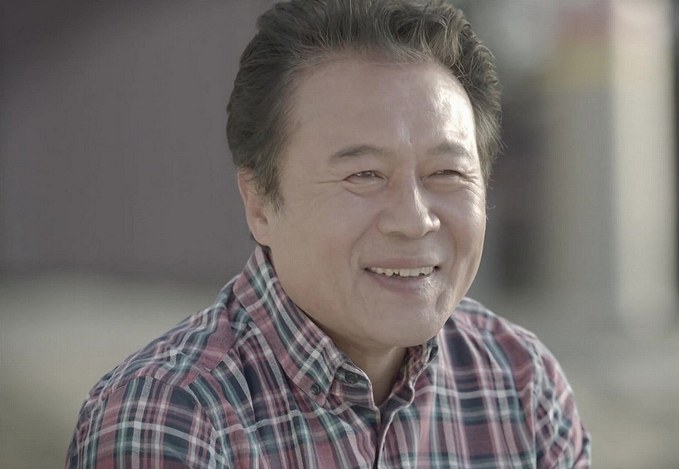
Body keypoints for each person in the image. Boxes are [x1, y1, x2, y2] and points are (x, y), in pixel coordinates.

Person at [66, 0, 590, 467]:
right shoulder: (170, 416)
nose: (413, 220)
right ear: (259, 203)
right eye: (364, 175)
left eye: (447, 173)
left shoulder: (521, 385)